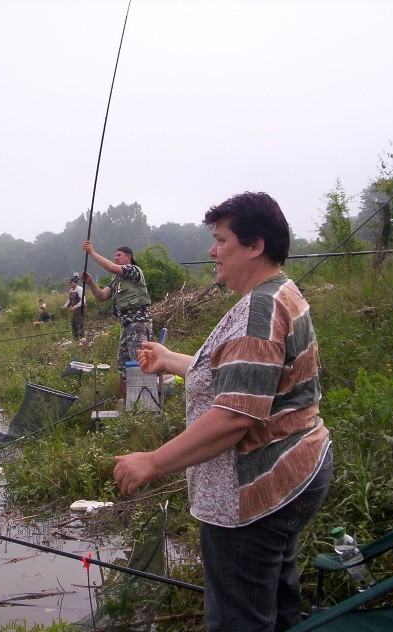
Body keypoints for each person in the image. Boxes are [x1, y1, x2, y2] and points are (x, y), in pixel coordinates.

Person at [113, 192, 332, 631]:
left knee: (240, 618)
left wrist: (152, 462)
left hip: (255, 494)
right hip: (294, 473)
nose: (212, 251)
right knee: (275, 598)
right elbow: (246, 378)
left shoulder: (259, 311)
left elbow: (234, 417)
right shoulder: (280, 293)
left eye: (221, 240)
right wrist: (173, 359)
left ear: (254, 246)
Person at [81, 242, 152, 394]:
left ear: (129, 257)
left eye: (119, 255)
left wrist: (92, 253)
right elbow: (102, 296)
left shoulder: (133, 270)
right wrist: (90, 283)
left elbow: (111, 268)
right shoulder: (117, 280)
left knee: (140, 361)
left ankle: (146, 400)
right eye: (115, 256)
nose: (116, 258)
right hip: (126, 326)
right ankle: (129, 398)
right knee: (123, 363)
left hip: (138, 323)